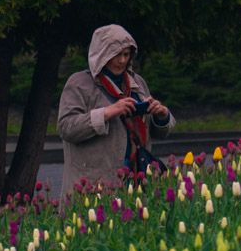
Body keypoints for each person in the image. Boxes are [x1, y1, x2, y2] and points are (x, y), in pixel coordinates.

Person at [57, 24, 175, 191]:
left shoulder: (138, 83)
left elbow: (156, 134)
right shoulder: (79, 83)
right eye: (116, 54)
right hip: (92, 187)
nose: (122, 60)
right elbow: (66, 128)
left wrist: (161, 115)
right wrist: (107, 113)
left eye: (126, 54)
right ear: (102, 55)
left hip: (137, 181)